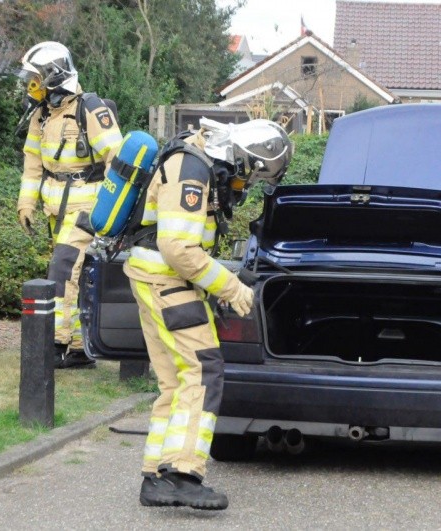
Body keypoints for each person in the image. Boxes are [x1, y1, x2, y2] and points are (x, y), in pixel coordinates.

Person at [125, 119, 291, 510]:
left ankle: (157, 477)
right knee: (203, 372)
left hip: (155, 279)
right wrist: (231, 289)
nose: (246, 182)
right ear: (245, 157)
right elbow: (179, 248)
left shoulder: (195, 159)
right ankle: (184, 475)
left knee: (175, 382)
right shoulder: (192, 169)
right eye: (252, 172)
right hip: (168, 281)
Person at [16, 41, 123, 369]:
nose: (30, 87)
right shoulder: (42, 115)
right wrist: (25, 204)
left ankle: (56, 341)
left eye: (35, 80)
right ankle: (79, 347)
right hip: (54, 209)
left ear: (53, 77)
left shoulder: (90, 109)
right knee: (73, 274)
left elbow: (115, 160)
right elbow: (33, 162)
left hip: (86, 208)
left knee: (62, 269)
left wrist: (108, 211)